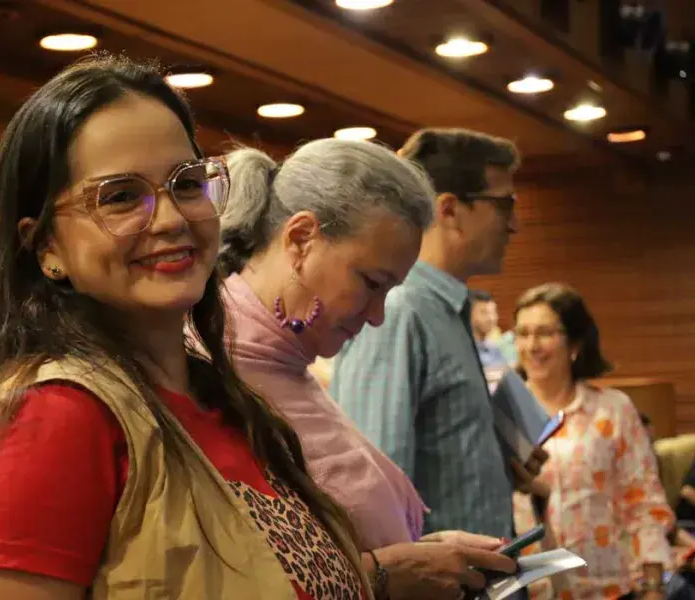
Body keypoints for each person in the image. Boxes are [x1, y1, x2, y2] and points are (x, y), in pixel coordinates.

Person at [0, 55, 372, 600]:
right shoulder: (51, 419)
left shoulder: (225, 400)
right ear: (45, 245)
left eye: (187, 184)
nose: (171, 219)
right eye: (121, 197)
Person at [218, 141, 516, 600]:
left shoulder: (286, 362)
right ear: (301, 239)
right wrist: (383, 574)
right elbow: (225, 576)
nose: (377, 315)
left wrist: (421, 556)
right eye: (371, 283)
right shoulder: (206, 371)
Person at [331, 128, 545, 542]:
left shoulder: (447, 309)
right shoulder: (400, 312)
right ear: (449, 209)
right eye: (505, 205)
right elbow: (374, 489)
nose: (515, 224)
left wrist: (495, 464)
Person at [512, 282, 673, 600]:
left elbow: (644, 502)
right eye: (522, 333)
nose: (532, 345)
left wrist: (654, 586)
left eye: (545, 333)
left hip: (608, 588)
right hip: (528, 590)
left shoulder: (612, 409)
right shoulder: (503, 413)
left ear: (574, 342)